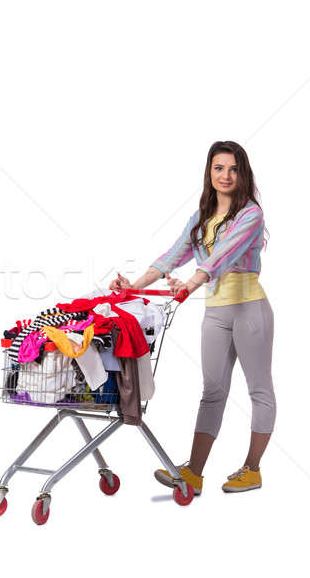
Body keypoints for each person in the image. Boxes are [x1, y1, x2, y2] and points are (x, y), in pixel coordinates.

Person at [109, 140, 276, 494]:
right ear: (210, 172)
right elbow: (171, 256)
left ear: (242, 173)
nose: (225, 175)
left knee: (258, 390)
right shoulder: (200, 218)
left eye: (233, 168)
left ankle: (253, 469)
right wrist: (132, 289)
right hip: (215, 312)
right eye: (219, 168)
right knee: (212, 392)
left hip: (250, 309)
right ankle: (194, 474)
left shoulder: (250, 214)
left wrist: (189, 285)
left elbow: (221, 259)